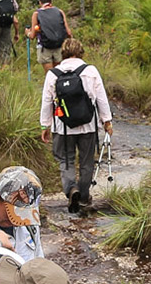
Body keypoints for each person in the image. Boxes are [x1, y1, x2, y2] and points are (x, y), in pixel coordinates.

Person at [39, 39, 113, 215]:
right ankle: (84, 197)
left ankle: (72, 189)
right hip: (88, 125)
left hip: (62, 126)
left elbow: (46, 101)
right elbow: (101, 98)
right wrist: (107, 121)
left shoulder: (53, 74)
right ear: (81, 52)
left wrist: (45, 125)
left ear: (62, 53)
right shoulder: (90, 71)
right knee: (87, 162)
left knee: (66, 159)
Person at [26, 0, 71, 72]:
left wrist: (27, 33)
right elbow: (69, 32)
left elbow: (32, 36)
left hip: (45, 47)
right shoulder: (59, 12)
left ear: (40, 2)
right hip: (59, 46)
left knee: (50, 75)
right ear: (51, 1)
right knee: (59, 73)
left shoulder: (36, 14)